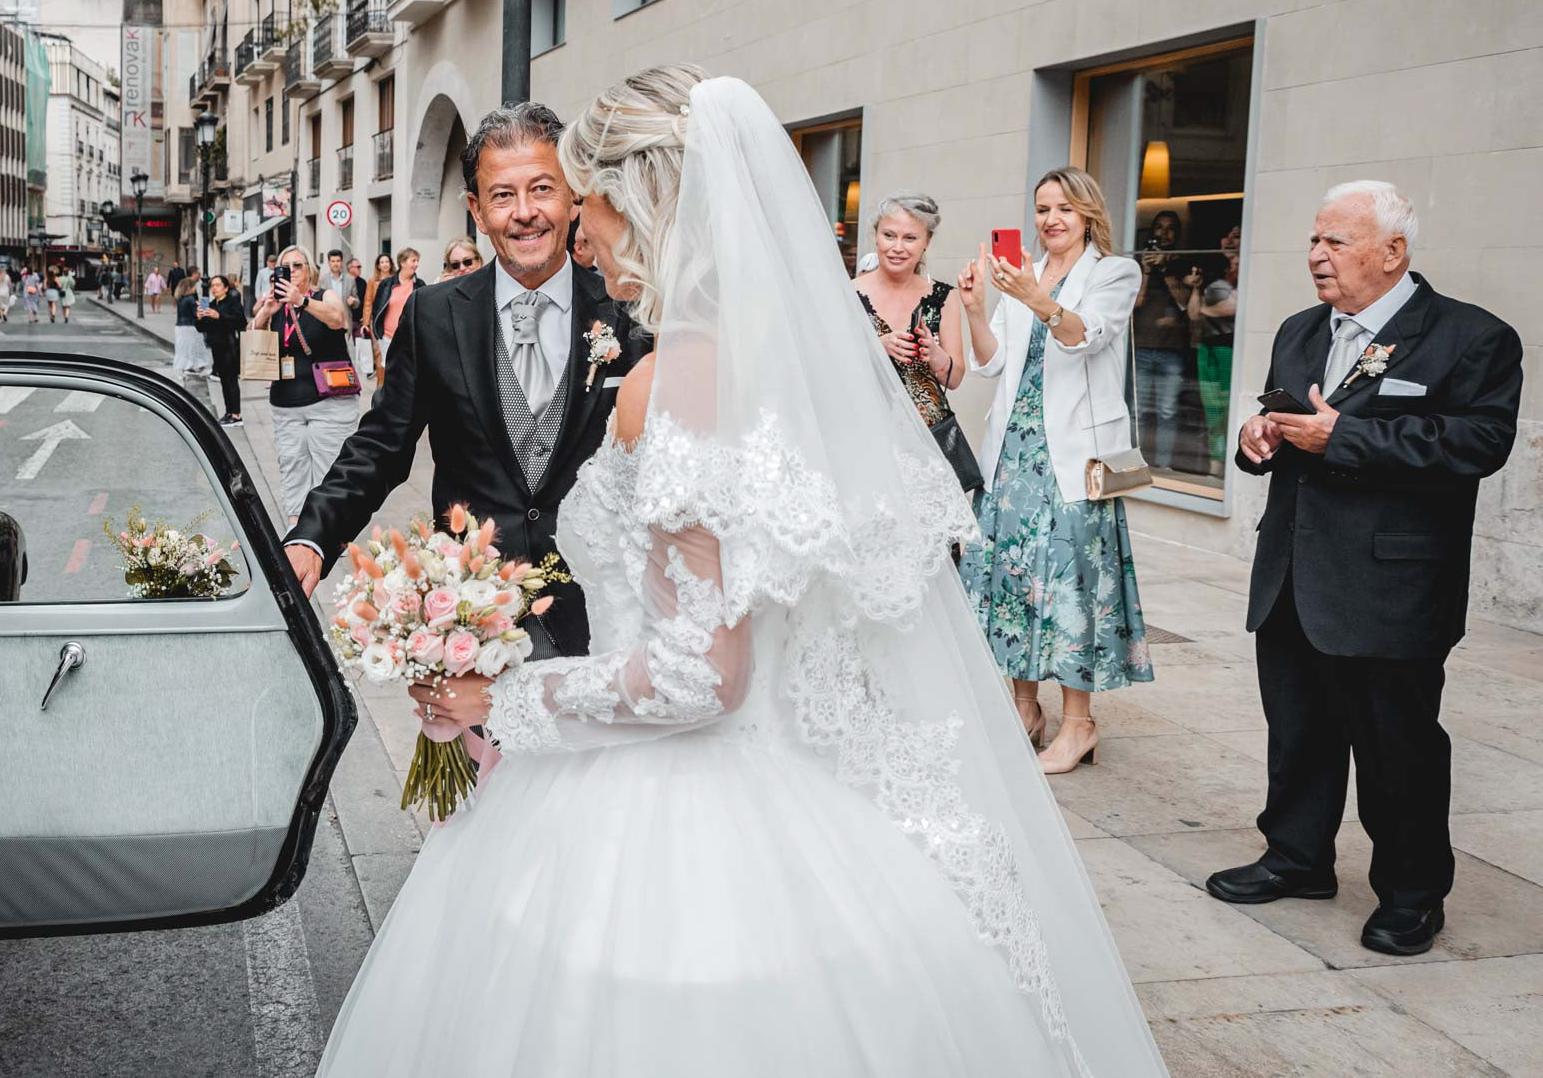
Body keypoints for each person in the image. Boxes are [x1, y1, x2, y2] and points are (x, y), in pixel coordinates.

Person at [316, 69, 1167, 1078]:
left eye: (585, 199)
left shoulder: (667, 379)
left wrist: (498, 695)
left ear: (637, 205)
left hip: (671, 808)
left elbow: (700, 679)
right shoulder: (772, 357)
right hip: (794, 776)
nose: (579, 230)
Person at [1206, 181, 1522, 958]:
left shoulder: (1471, 337)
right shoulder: (1298, 329)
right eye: (1315, 240)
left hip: (1393, 587)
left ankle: (1413, 894)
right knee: (1299, 733)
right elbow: (1285, 423)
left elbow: (1478, 445)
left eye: (1336, 242)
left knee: (1398, 747)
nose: (1317, 255)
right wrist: (1259, 442)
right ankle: (1298, 857)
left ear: (1393, 251)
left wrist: (1340, 439)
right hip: (1293, 575)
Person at [286, 100, 644, 665]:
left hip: (601, 623)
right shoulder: (433, 314)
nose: (525, 213)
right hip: (468, 630)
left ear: (574, 196)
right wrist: (311, 539)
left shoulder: (627, 311)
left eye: (542, 189)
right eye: (503, 195)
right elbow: (381, 445)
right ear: (477, 209)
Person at [954, 168, 1151, 774]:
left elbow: (1083, 337)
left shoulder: (1115, 273)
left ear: (1088, 215)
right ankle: (1023, 709)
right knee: (1011, 582)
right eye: (1042, 209)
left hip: (1077, 459)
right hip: (1014, 452)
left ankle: (1079, 724)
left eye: (1064, 208)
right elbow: (993, 366)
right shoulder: (1027, 273)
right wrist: (978, 311)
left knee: (1071, 586)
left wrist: (1034, 300)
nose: (1050, 220)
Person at [851, 193, 972, 489]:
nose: (897, 247)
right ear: (876, 236)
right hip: (863, 435)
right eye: (889, 235)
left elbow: (954, 378)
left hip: (927, 442)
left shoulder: (945, 297)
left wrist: (936, 355)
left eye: (910, 238)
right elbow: (823, 361)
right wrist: (875, 347)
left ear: (926, 242)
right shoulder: (847, 293)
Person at [252, 246, 358, 520]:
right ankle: (297, 535)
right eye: (285, 267)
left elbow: (339, 319)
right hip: (286, 404)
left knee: (328, 470)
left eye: (297, 265)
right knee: (292, 471)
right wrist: (265, 313)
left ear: (310, 270)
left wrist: (302, 301)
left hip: (328, 403)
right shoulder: (275, 304)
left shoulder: (324, 296)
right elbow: (256, 345)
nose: (291, 271)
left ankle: (329, 534)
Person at [1132, 210, 1192, 469]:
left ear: (1177, 235)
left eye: (1170, 229)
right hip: (1143, 345)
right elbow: (1135, 303)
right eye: (1159, 227)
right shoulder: (1138, 263)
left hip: (1172, 348)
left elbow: (1184, 303)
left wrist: (1165, 269)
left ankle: (1165, 467)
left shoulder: (1183, 263)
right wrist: (1146, 271)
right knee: (1139, 413)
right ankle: (1136, 466)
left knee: (1167, 412)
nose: (1163, 233)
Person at [1183, 225, 1239, 476]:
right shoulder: (1215, 273)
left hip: (1230, 347)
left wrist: (1205, 310)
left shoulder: (1249, 270)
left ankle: (1226, 463)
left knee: (1228, 407)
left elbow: (1234, 308)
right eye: (1227, 235)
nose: (1227, 240)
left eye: (1236, 237)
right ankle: (1216, 464)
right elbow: (1193, 314)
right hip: (1208, 346)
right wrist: (1195, 289)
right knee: (1212, 408)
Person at [196, 273, 247, 425]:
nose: (214, 288)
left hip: (230, 346)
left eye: (218, 285)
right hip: (216, 347)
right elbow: (201, 328)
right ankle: (228, 412)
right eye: (212, 286)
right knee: (223, 381)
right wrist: (199, 317)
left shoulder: (232, 302)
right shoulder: (209, 304)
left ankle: (236, 414)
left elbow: (240, 321)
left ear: (225, 288)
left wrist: (219, 316)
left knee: (231, 380)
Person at [369, 247, 423, 387]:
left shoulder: (420, 285)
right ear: (403, 262)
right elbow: (376, 310)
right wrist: (377, 335)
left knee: (407, 374)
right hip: (387, 338)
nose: (416, 264)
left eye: (417, 261)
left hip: (409, 338)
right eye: (413, 260)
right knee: (388, 375)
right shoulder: (387, 284)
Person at [363, 252, 396, 386]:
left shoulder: (396, 279)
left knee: (393, 352)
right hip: (377, 321)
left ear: (391, 263)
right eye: (382, 262)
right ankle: (380, 385)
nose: (384, 264)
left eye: (387, 262)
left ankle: (392, 383)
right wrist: (365, 323)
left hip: (393, 320)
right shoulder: (373, 280)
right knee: (378, 352)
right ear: (378, 265)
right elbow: (368, 301)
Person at [171, 274, 213, 376]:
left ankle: (186, 366)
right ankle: (197, 366)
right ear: (189, 288)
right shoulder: (190, 298)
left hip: (179, 326)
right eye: (194, 287)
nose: (195, 289)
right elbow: (197, 315)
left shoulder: (180, 298)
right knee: (196, 346)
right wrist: (203, 308)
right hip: (190, 326)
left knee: (184, 348)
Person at [344, 256, 373, 381]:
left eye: (360, 266)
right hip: (346, 321)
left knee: (362, 346)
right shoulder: (344, 281)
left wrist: (365, 318)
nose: (360, 269)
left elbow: (366, 300)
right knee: (344, 346)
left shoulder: (362, 282)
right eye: (358, 266)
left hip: (359, 321)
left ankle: (365, 371)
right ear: (350, 268)